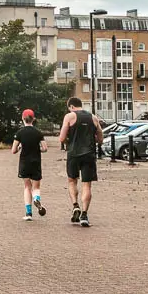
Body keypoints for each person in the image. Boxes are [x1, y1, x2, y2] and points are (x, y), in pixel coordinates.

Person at [57, 97, 103, 227]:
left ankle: (75, 205)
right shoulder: (93, 118)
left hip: (74, 153)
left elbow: (61, 138)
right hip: (89, 154)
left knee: (72, 181)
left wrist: (68, 141)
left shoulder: (69, 116)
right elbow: (100, 139)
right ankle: (84, 214)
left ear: (71, 106)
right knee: (86, 185)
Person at [11, 109, 48, 221]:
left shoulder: (19, 133)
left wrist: (20, 147)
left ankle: (28, 213)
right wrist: (38, 149)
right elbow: (45, 148)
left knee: (27, 187)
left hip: (24, 162)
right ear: (34, 119)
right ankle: (36, 198)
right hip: (36, 162)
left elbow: (13, 150)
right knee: (36, 186)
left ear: (23, 119)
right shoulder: (38, 133)